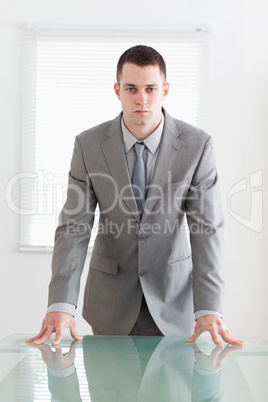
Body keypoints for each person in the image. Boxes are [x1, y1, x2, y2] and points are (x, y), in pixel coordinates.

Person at [26, 45, 245, 347]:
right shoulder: (88, 145)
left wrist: (207, 305)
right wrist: (61, 304)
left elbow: (206, 229)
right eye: (131, 88)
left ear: (165, 90)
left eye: (150, 88)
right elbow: (74, 228)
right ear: (117, 90)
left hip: (174, 303)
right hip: (110, 305)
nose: (141, 98)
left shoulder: (197, 146)